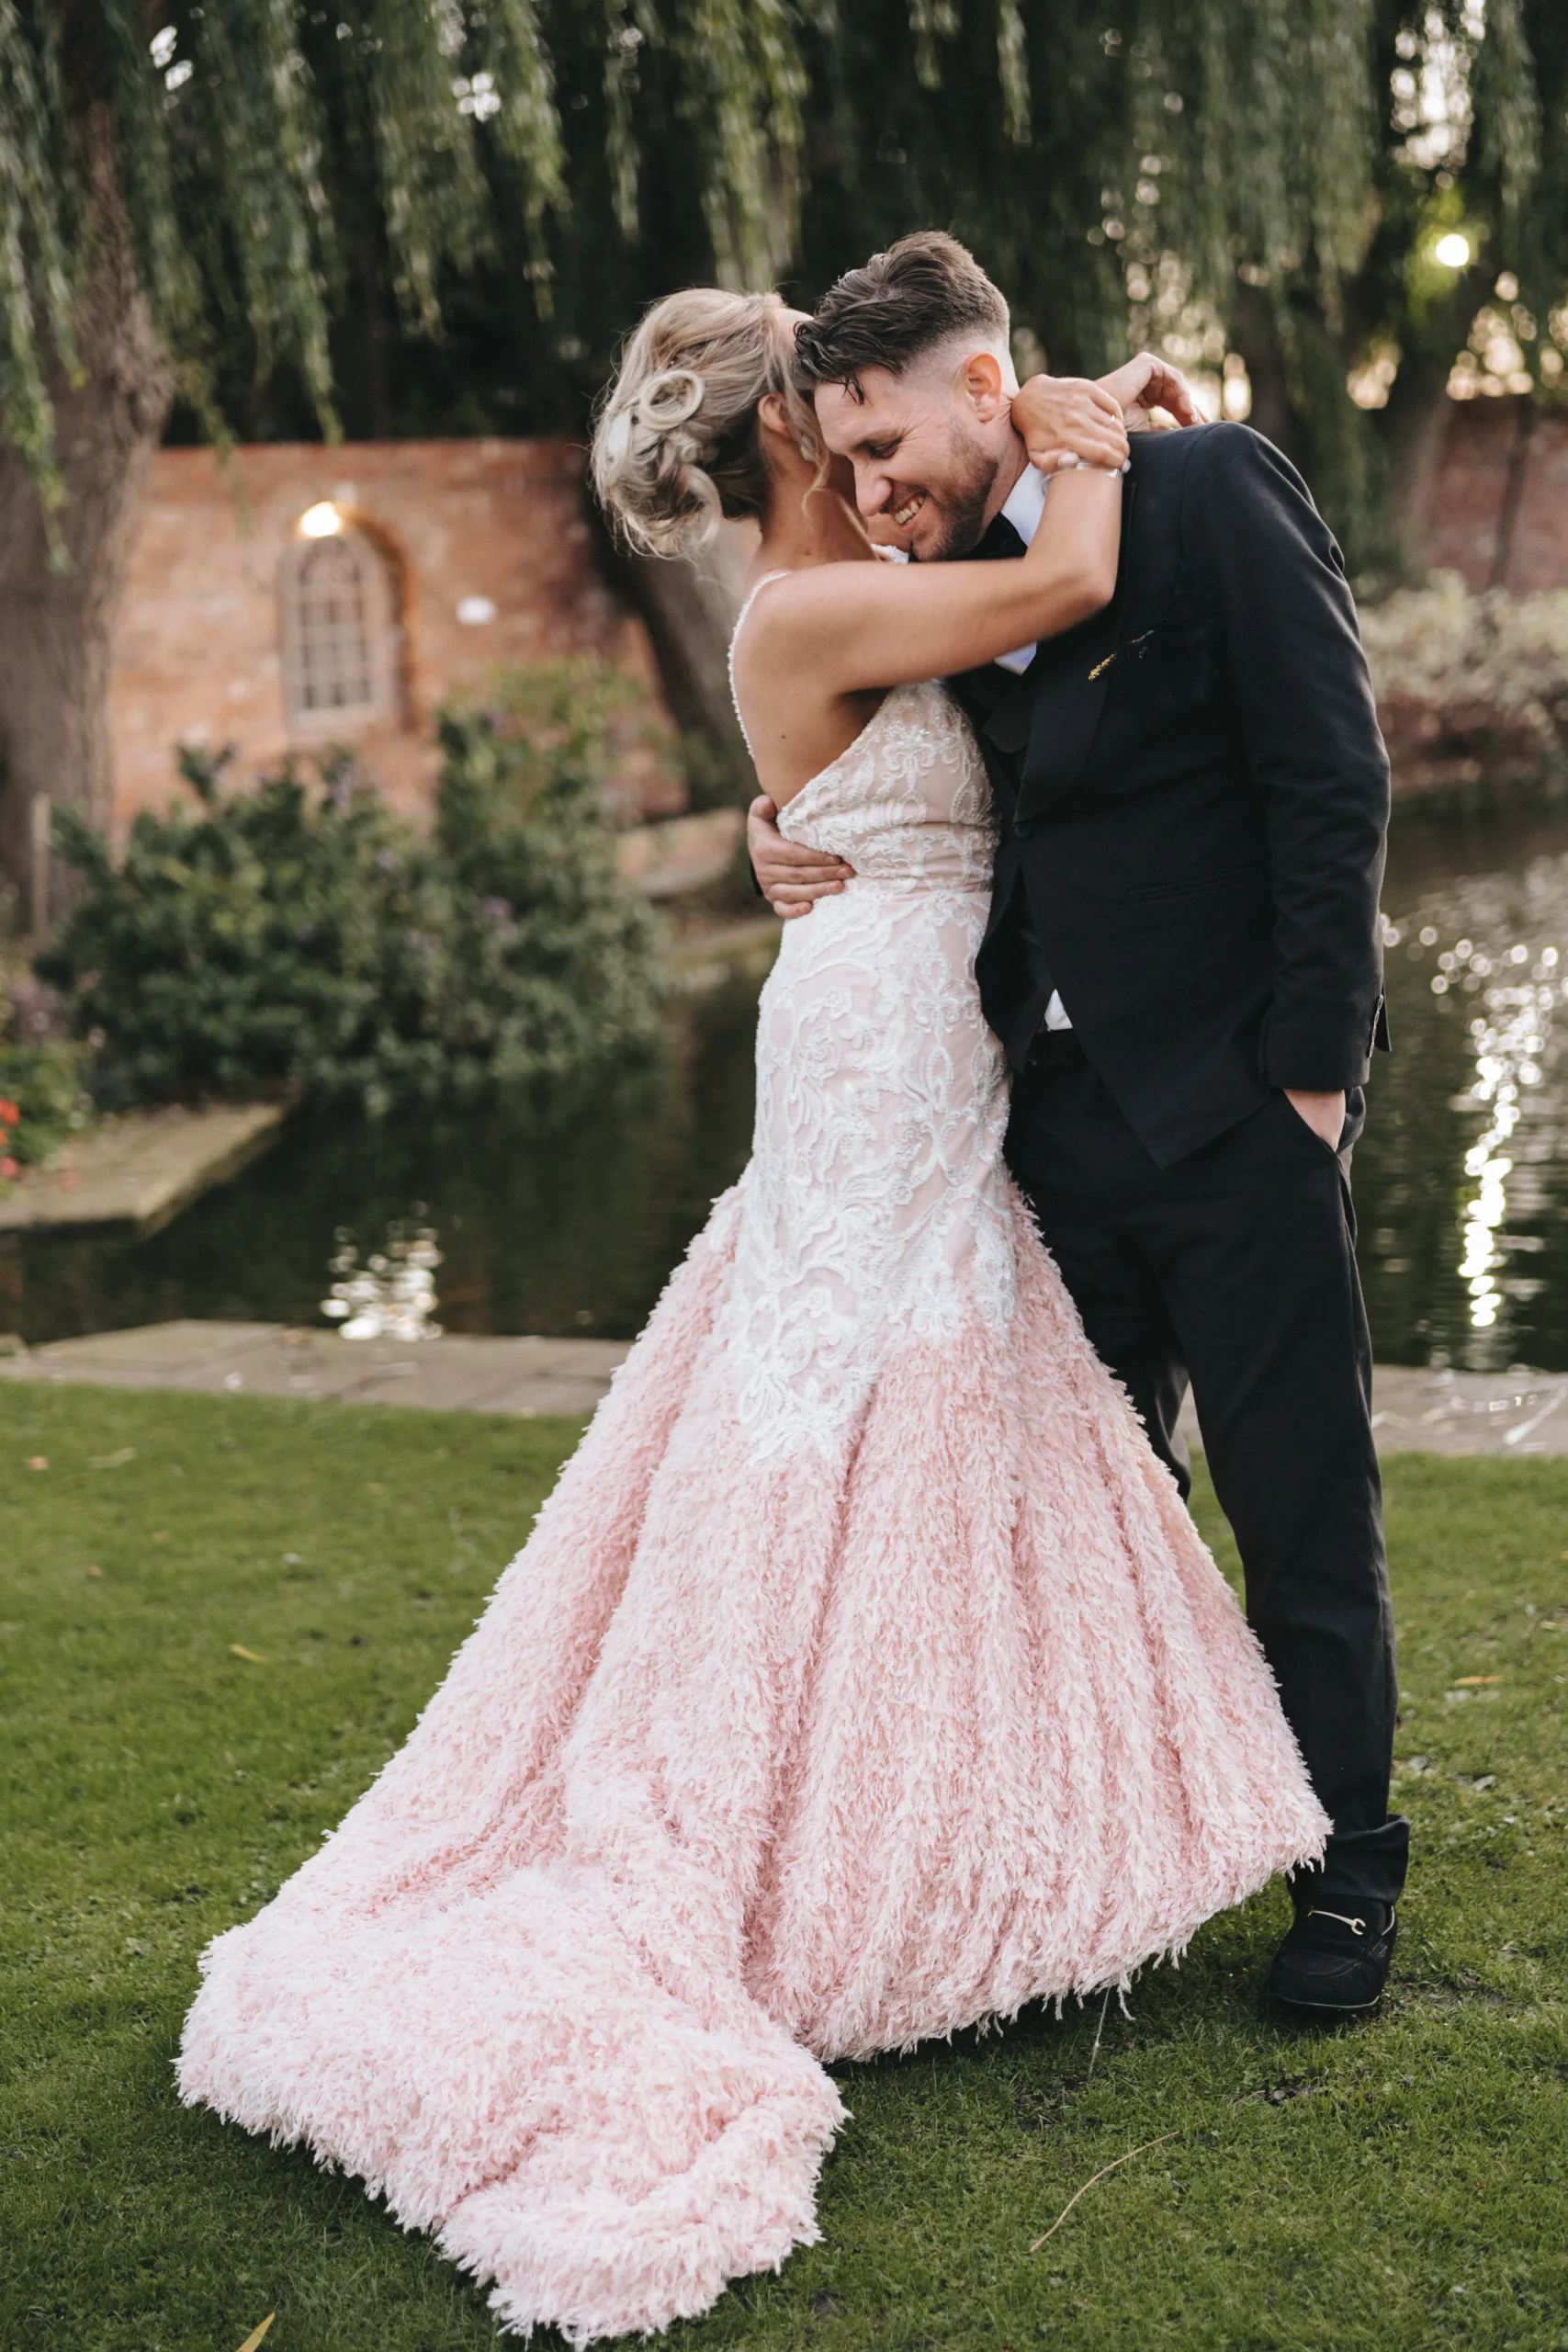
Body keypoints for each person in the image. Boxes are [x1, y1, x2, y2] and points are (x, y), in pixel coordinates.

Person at [176, 283, 1325, 2346]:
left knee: (939, 1416)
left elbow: (1025, 654)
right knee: (856, 1405)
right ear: (797, 423)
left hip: (926, 1033)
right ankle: (851, 1847)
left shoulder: (856, 582)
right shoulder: (808, 617)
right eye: (837, 400)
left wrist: (1120, 401)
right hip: (884, 1053)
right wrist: (1083, 411)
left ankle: (1001, 1820)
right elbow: (1068, 561)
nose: (869, 434)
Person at [754, 231, 1406, 2022]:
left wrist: (1311, 1076)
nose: (868, 493)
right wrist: (772, 816)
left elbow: (1327, 775)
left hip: (1234, 1113)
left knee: (1298, 1503)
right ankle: (1121, 1861)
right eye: (843, 468)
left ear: (980, 385)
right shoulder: (965, 578)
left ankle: (1344, 1870)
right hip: (1038, 1129)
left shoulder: (1202, 490)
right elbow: (884, 777)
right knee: (1077, 1518)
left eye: (882, 447)